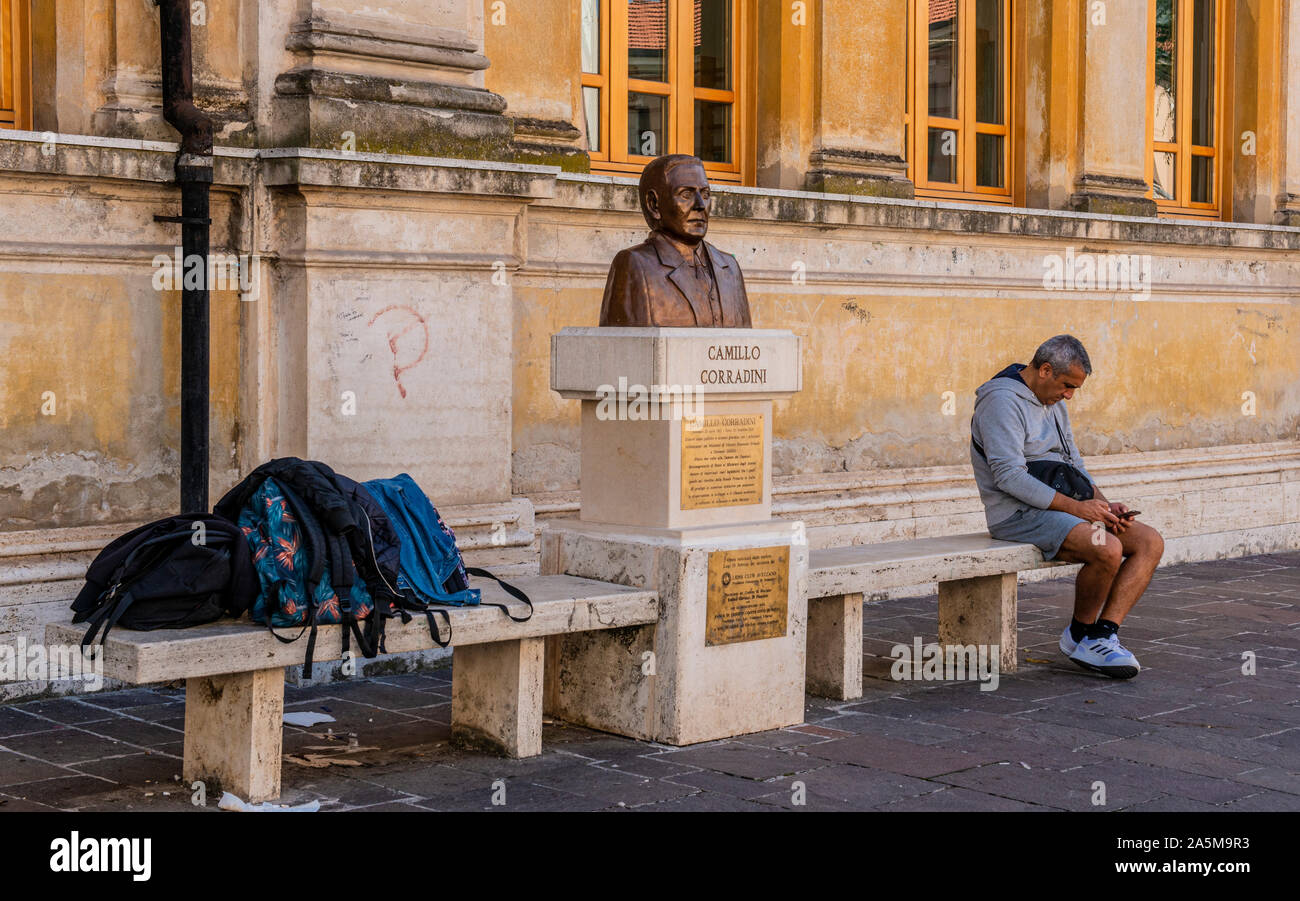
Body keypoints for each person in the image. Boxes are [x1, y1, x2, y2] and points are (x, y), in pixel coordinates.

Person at [970, 335, 1164, 678]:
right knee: (1107, 548)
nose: (1070, 395)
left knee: (1149, 542)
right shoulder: (1000, 402)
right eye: (1067, 385)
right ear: (1045, 370)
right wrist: (1079, 510)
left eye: (1075, 388)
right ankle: (1079, 634)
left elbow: (1073, 462)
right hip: (1016, 515)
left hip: (1062, 508)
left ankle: (1101, 635)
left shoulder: (1053, 400)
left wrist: (1103, 505)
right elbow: (1008, 476)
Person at [598, 153, 752, 328]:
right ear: (654, 204)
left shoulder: (729, 267)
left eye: (706, 194)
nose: (700, 205)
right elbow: (625, 350)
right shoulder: (635, 265)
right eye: (686, 194)